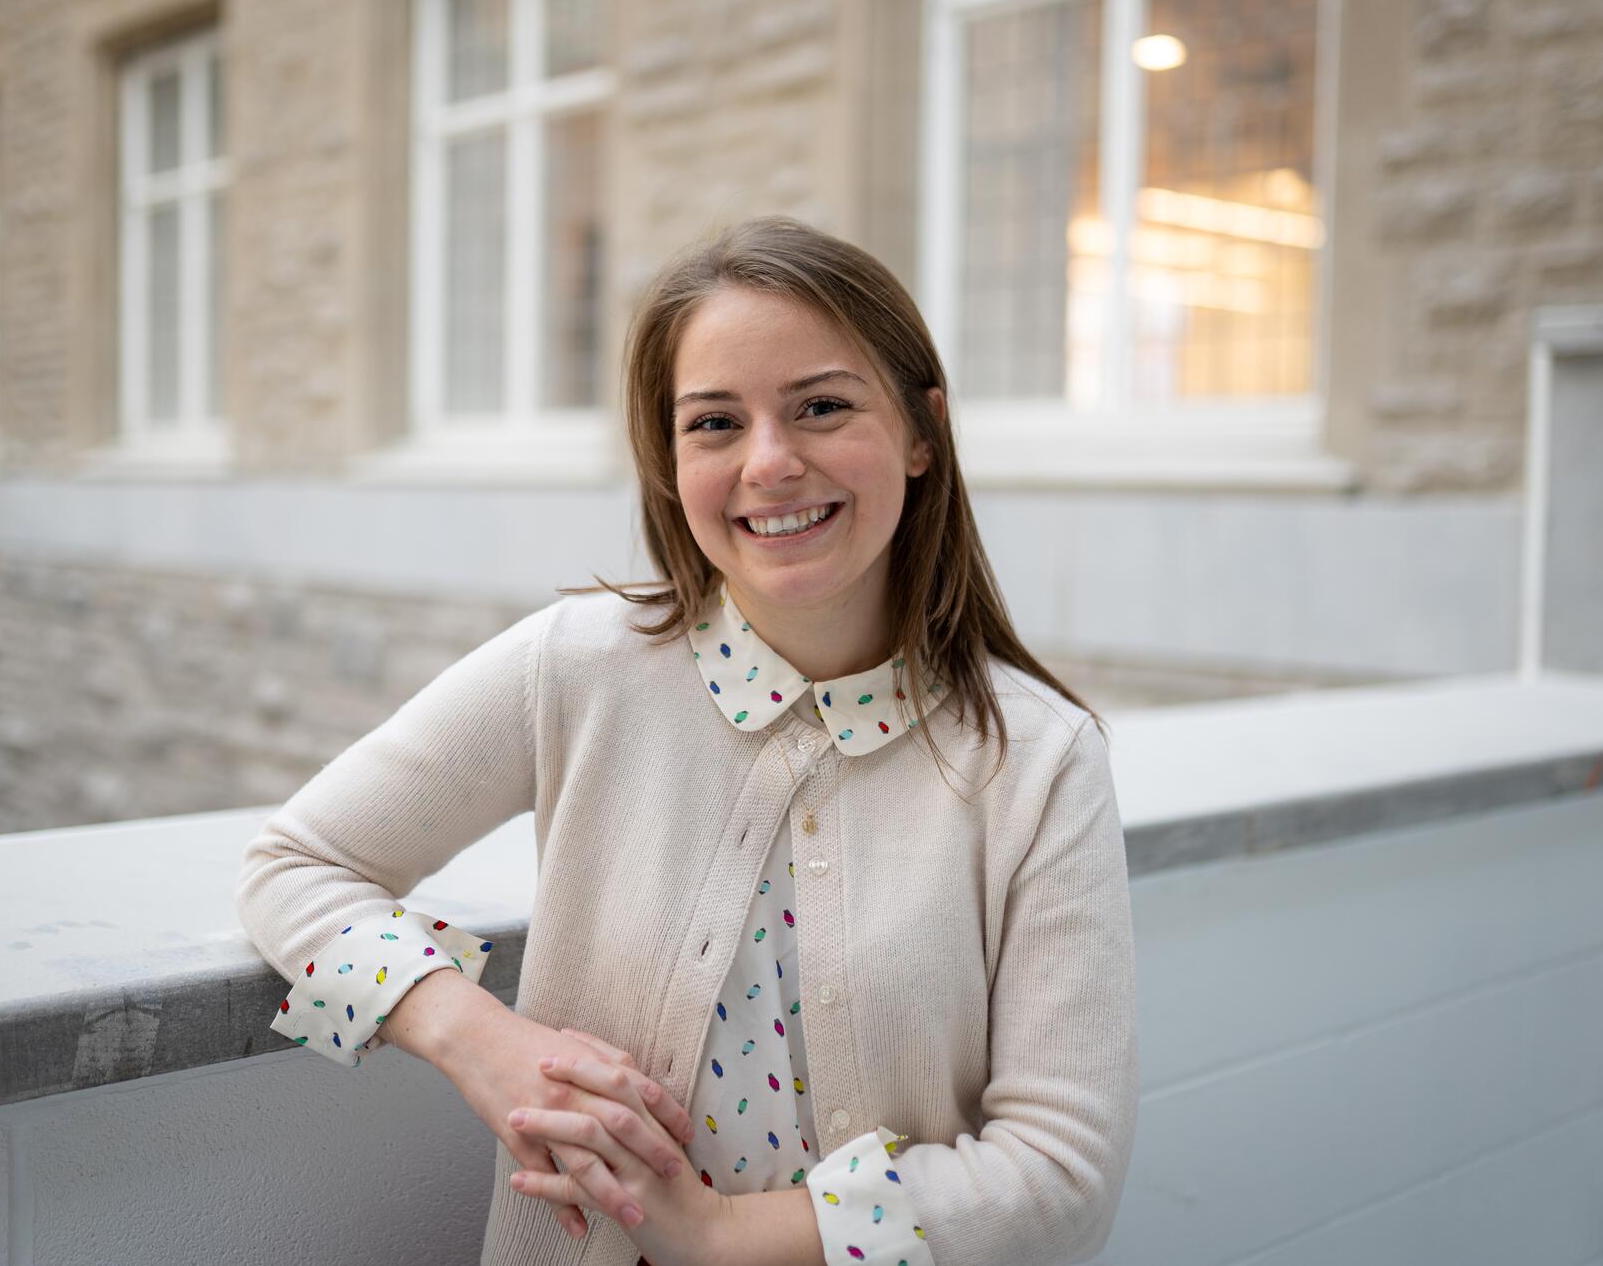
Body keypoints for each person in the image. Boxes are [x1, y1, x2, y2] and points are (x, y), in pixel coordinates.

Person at [236, 215, 1138, 1266]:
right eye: (713, 424)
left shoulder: (1039, 759)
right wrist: (477, 1041)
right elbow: (292, 865)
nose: (768, 462)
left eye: (821, 406)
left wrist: (718, 1236)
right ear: (666, 460)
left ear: (920, 430)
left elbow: (1063, 1174)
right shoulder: (574, 666)